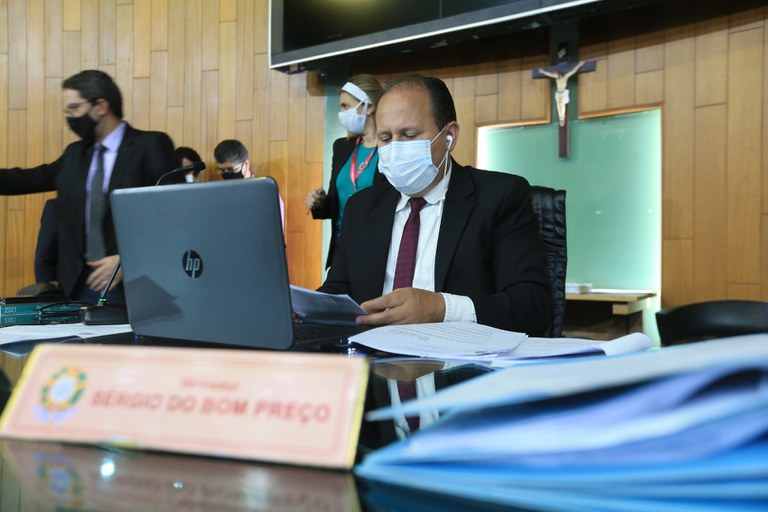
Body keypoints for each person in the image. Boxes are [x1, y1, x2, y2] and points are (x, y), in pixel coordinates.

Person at [318, 75, 553, 335]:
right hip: (373, 353)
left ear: (449, 136)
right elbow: (337, 292)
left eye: (409, 135)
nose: (395, 149)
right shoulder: (361, 208)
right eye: (385, 138)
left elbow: (533, 306)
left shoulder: (500, 197)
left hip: (458, 355)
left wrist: (442, 308)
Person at [0, 70, 180, 303]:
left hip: (134, 282)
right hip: (78, 285)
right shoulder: (75, 153)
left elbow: (174, 216)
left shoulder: (150, 145)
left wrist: (128, 260)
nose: (70, 117)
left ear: (101, 106)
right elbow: (28, 178)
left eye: (74, 108)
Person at [305, 74, 385, 268]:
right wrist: (319, 202)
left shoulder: (389, 149)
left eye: (345, 106)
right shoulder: (342, 147)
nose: (341, 113)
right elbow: (335, 204)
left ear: (369, 106)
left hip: (374, 244)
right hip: (341, 244)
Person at [213, 139, 285, 226]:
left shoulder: (265, 193)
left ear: (246, 164)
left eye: (231, 169)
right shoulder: (218, 195)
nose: (226, 173)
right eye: (221, 170)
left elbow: (275, 228)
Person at [537, 61, 585, 127]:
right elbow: (549, 74)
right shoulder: (557, 77)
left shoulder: (565, 77)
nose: (555, 74)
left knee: (561, 104)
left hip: (563, 93)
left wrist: (579, 65)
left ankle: (561, 118)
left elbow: (572, 71)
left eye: (556, 73)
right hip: (559, 93)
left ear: (559, 73)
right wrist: (543, 72)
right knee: (559, 105)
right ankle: (561, 118)